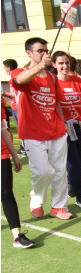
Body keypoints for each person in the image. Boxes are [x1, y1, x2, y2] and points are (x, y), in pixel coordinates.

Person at [10, 37, 73, 220]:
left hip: (57, 132)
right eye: (40, 51)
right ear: (29, 53)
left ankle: (58, 206)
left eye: (46, 50)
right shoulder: (21, 71)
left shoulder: (52, 78)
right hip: (32, 133)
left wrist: (63, 124)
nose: (45, 53)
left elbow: (57, 103)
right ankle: (37, 200)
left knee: (60, 171)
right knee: (44, 172)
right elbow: (19, 81)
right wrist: (39, 66)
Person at [52, 51, 81, 208]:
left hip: (79, 126)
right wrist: (63, 123)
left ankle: (71, 182)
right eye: (61, 63)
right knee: (73, 163)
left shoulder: (77, 81)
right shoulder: (53, 83)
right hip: (64, 129)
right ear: (54, 65)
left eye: (67, 62)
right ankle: (80, 195)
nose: (65, 66)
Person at [1, 104, 35, 248]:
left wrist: (14, 155)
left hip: (1, 154)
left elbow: (3, 130)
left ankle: (17, 236)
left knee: (6, 193)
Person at [3, 59, 25, 156]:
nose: (4, 69)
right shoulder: (14, 76)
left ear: (8, 67)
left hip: (18, 107)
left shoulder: (16, 76)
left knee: (21, 129)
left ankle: (25, 148)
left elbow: (17, 94)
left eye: (4, 67)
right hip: (15, 107)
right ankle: (23, 146)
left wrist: (6, 94)